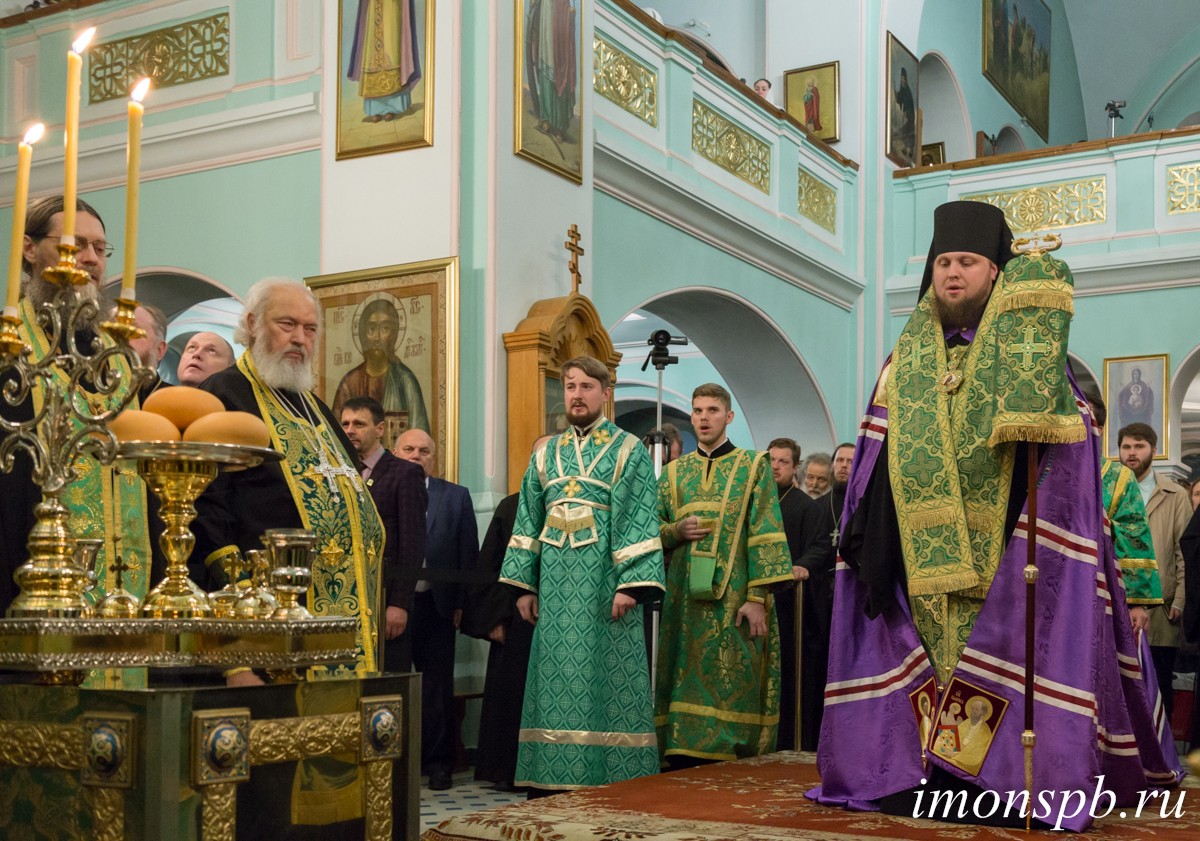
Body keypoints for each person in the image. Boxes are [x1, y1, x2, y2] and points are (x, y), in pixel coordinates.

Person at [810, 200, 1181, 831]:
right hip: (916, 554)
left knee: (997, 663)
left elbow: (1073, 440)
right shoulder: (901, 364)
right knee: (925, 663)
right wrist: (872, 542)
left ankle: (1001, 783)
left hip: (1007, 553)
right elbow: (873, 456)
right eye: (943, 262)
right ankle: (922, 776)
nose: (953, 273)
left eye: (967, 262)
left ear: (995, 271)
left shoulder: (1028, 356)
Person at [1, 196, 164, 691]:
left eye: (99, 248)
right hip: (26, 592)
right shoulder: (10, 347)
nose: (91, 259)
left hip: (125, 596)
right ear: (29, 249)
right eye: (75, 246)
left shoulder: (116, 360)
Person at [192, 277, 385, 684]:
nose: (300, 338)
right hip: (265, 633)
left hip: (344, 621)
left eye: (310, 329)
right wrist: (235, 657)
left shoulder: (314, 407)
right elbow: (205, 519)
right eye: (287, 324)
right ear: (252, 324)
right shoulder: (221, 395)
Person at [499, 355, 664, 794]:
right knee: (555, 680)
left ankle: (612, 778)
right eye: (570, 386)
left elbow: (638, 516)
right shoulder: (546, 453)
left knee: (602, 679)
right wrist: (524, 585)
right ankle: (549, 779)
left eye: (586, 387)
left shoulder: (628, 449)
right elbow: (528, 518)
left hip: (605, 591)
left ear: (605, 393)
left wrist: (631, 584)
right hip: (555, 594)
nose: (577, 395)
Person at [655, 384, 791, 765]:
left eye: (712, 410)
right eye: (698, 411)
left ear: (728, 416)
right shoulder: (673, 474)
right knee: (683, 673)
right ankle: (680, 751)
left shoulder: (754, 466)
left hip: (736, 602)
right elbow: (650, 528)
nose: (704, 418)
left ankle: (733, 753)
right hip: (684, 602)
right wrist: (675, 531)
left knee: (732, 676)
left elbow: (765, 531)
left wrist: (757, 598)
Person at [462, 434, 554, 792]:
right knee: (512, 693)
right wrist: (495, 620)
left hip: (562, 620)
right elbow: (491, 566)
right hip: (516, 621)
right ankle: (506, 769)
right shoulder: (511, 506)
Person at [393, 427, 478, 790]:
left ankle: (438, 764)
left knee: (437, 688)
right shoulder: (383, 491)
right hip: (393, 606)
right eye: (408, 449)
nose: (416, 456)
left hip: (438, 605)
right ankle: (395, 764)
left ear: (434, 457)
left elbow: (467, 554)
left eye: (424, 451)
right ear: (395, 454)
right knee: (394, 684)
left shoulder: (455, 496)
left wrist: (462, 603)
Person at [339, 396, 427, 671]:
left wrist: (400, 604)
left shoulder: (405, 473)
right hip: (346, 596)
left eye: (358, 424)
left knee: (387, 676)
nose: (350, 430)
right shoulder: (338, 472)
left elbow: (413, 543)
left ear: (380, 429)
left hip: (385, 598)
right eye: (345, 424)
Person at [1119, 422, 1191, 722]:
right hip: (1118, 606)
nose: (1132, 453)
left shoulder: (1174, 494)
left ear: (1154, 450)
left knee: (1160, 688)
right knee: (1120, 690)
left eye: (1139, 446)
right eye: (1126, 447)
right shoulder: (1110, 490)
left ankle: (1161, 749)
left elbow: (1184, 552)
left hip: (1162, 609)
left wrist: (1181, 601)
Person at [1083, 390, 1160, 632]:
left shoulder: (1118, 477)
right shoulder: (1042, 467)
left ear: (1098, 429)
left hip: (1101, 585)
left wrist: (1136, 601)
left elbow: (1133, 537)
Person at [766, 436, 819, 751]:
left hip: (791, 604)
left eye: (782, 462)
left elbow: (818, 547)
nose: (775, 467)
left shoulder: (805, 506)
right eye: (771, 460)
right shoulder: (758, 501)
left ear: (795, 466)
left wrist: (802, 565)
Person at [333, 296, 430, 443]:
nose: (377, 337)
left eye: (384, 329)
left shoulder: (405, 380)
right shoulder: (349, 382)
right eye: (371, 329)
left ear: (393, 334)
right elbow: (334, 436)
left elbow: (420, 437)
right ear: (363, 335)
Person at [346, 0, 422, 122]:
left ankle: (394, 108)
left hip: (392, 6)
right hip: (373, 6)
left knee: (393, 50)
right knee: (372, 53)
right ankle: (375, 109)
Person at [524, 0, 578, 142]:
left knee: (560, 69)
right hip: (545, 17)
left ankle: (559, 126)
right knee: (545, 62)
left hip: (559, 15)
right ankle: (546, 118)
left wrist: (570, 12)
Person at [893, 66, 916, 162]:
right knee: (905, 132)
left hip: (910, 115)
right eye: (901, 79)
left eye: (903, 79)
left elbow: (909, 103)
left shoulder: (907, 91)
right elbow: (899, 100)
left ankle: (910, 150)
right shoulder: (902, 90)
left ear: (906, 80)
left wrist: (907, 114)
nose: (902, 80)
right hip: (906, 114)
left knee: (909, 132)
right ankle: (906, 149)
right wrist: (896, 94)